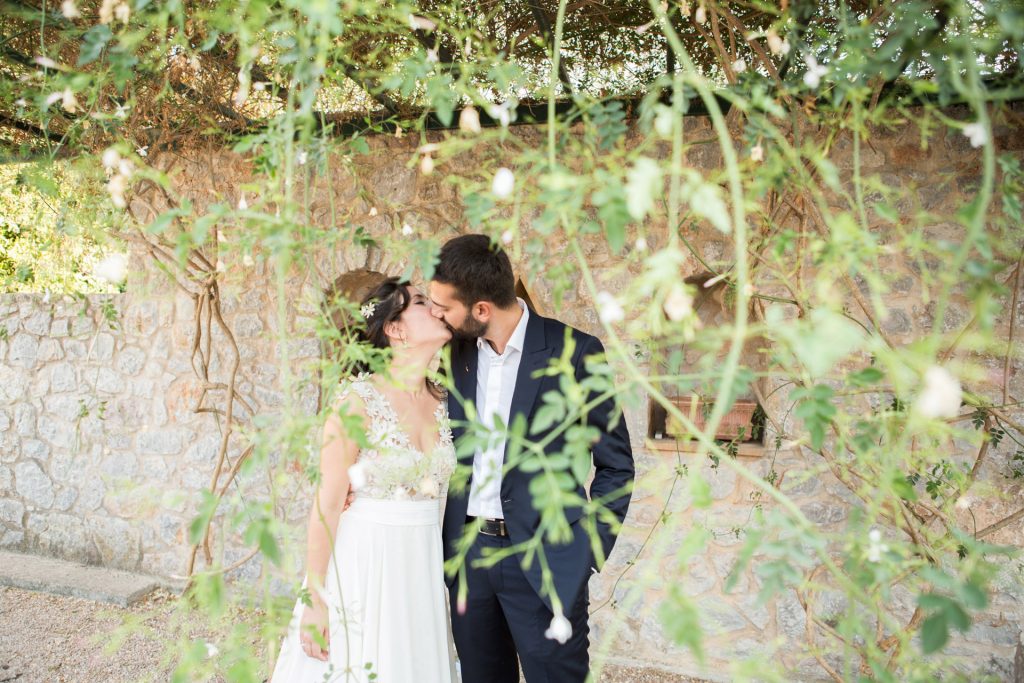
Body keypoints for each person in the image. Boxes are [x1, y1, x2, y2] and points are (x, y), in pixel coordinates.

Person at [429, 234, 635, 683]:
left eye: (444, 307)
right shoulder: (453, 355)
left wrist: (588, 550)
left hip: (547, 562)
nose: (436, 315)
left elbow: (616, 464)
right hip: (470, 561)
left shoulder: (576, 353)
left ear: (481, 308)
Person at [271, 277, 458, 683]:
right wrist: (315, 602)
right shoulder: (356, 402)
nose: (437, 308)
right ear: (395, 329)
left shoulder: (447, 401)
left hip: (422, 564)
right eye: (423, 302)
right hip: (365, 561)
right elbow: (326, 506)